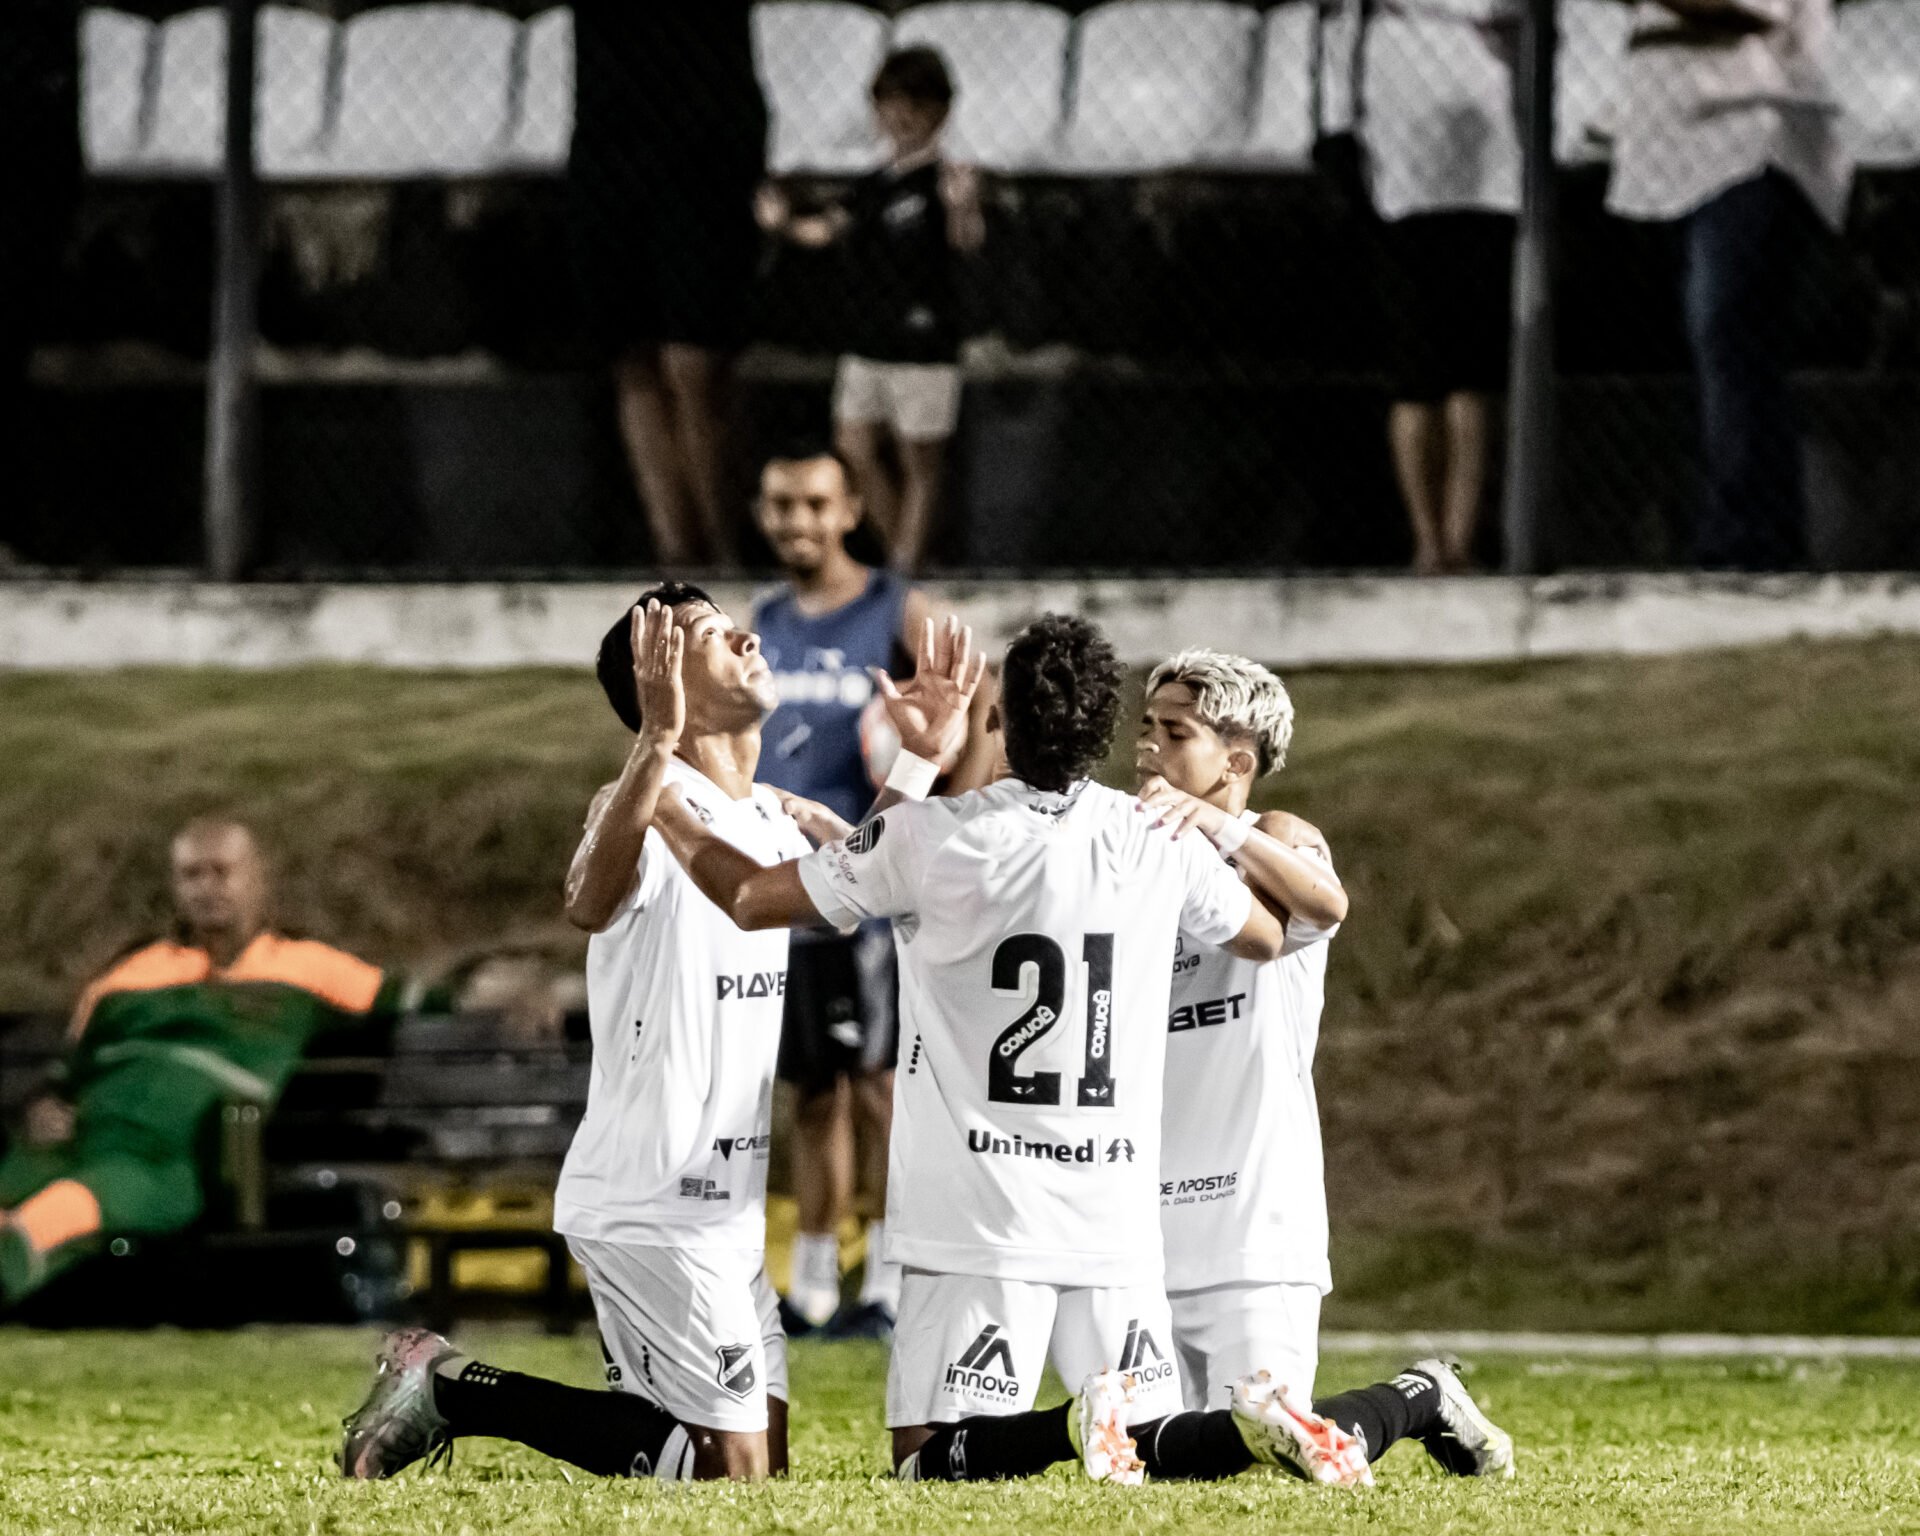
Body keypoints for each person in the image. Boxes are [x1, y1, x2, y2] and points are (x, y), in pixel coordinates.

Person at [650, 614, 1381, 1487]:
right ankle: (1159, 1423)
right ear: (1108, 732)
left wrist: (663, 800)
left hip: (975, 1221)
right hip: (1114, 1222)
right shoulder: (1160, 843)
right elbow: (1271, 936)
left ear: (996, 723)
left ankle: (1064, 1431)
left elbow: (749, 897)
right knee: (1161, 1456)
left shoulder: (928, 837)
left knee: (930, 1466)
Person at [340, 588, 979, 1483]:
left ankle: (457, 1388)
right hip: (650, 1196)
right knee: (729, 1479)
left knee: (754, 1471)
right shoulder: (645, 796)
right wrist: (653, 745)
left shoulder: (765, 812)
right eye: (718, 637)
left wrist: (916, 761)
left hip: (724, 1206)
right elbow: (586, 902)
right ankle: (451, 1387)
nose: (752, 636)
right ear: (663, 683)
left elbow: (852, 893)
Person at [1134, 650, 1514, 1479]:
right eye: (1145, 728)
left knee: (1274, 1451)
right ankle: (1417, 1395)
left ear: (1236, 762)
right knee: (1155, 1460)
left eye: (1173, 732)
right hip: (1140, 1221)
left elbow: (1324, 903)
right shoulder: (1140, 857)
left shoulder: (1276, 839)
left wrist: (1218, 825)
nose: (1146, 749)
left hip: (1253, 1218)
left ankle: (1421, 1395)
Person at [0, 819, 446, 1312]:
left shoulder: (305, 968)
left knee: (66, 1207)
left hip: (177, 1158)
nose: (208, 888)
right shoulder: (128, 976)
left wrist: (530, 983)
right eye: (192, 875)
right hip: (79, 1141)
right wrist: (44, 1102)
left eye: (222, 872)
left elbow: (426, 999)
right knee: (36, 1194)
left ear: (258, 879)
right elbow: (68, 1069)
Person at [750, 445, 985, 1339]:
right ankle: (812, 1283)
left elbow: (971, 699)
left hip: (874, 883)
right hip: (795, 880)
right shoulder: (766, 621)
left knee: (883, 1085)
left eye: (814, 504)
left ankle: (890, 1277)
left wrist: (943, 818)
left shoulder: (895, 608)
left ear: (851, 509)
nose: (797, 522)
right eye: (781, 505)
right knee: (812, 1090)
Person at [1605, 0, 1851, 568]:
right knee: (1727, 347)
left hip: (1751, 133)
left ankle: (1745, 534)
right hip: (1677, 140)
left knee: (1726, 332)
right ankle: (1758, 526)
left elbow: (1751, 9)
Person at [756, 47, 985, 574]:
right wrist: (782, 224)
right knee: (852, 446)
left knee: (919, 461)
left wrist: (963, 207)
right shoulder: (873, 185)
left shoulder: (945, 181)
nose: (900, 116)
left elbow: (966, 241)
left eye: (914, 104)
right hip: (868, 336)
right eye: (890, 103)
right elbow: (830, 230)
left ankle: (904, 573)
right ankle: (907, 560)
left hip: (923, 343)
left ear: (940, 112)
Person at [569, 2, 768, 566]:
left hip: (704, 149)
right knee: (632, 360)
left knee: (695, 363)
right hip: (610, 144)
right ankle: (677, 558)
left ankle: (727, 559)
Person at [1354, 0, 1521, 573]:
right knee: (1417, 373)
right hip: (1405, 179)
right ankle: (1428, 540)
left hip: (1487, 180)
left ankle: (1459, 539)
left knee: (1471, 371)